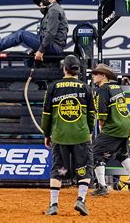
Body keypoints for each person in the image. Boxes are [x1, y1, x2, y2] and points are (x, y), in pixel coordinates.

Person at [41, 55, 95, 216]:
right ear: (78, 70)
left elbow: (46, 114)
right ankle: (80, 200)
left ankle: (54, 204)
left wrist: (47, 134)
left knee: (58, 169)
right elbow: (91, 114)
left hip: (60, 136)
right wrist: (89, 132)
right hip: (81, 136)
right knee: (84, 169)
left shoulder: (53, 87)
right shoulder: (85, 88)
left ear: (64, 69)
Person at [91, 63, 130, 195]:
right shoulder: (117, 87)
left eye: (96, 74)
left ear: (103, 76)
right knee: (121, 154)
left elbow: (102, 114)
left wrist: (102, 129)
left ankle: (102, 187)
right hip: (126, 124)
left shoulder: (102, 89)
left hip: (114, 126)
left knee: (96, 153)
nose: (93, 76)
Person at [0, 0, 68, 62]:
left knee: (21, 34)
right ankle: (33, 78)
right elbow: (45, 34)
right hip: (52, 45)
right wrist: (35, 48)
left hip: (54, 46)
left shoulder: (54, 10)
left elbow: (50, 33)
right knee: (28, 56)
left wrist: (41, 50)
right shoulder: (52, 10)